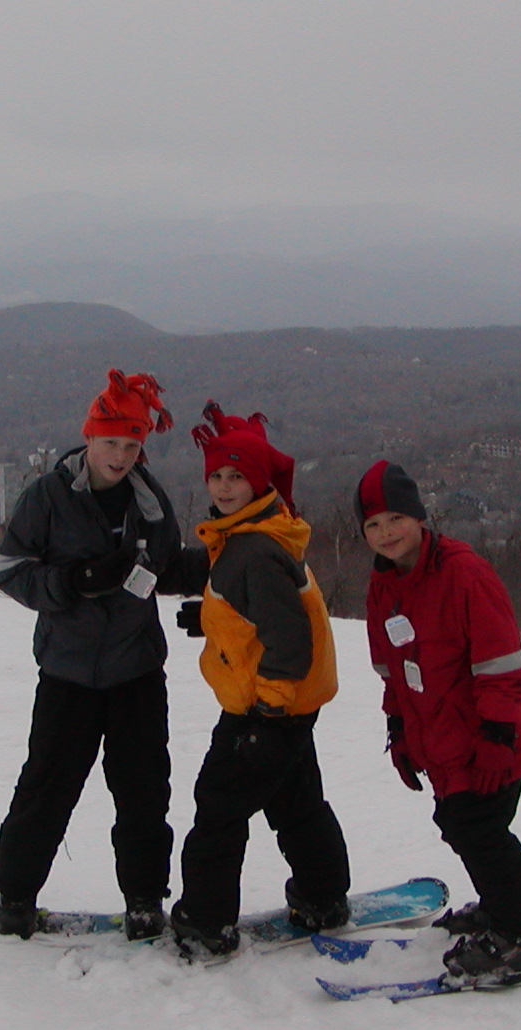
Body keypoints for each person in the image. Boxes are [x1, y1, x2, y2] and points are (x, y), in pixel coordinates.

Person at [0, 368, 192, 941]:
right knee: (47, 788)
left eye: (132, 445)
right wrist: (71, 581)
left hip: (136, 671)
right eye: (111, 443)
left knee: (144, 791)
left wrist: (233, 573)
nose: (122, 456)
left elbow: (169, 565)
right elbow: (11, 571)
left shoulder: (149, 502)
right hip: (68, 673)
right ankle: (16, 897)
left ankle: (146, 900)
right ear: (90, 438)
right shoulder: (49, 496)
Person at [357, 460, 521, 984]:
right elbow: (392, 672)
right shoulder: (385, 587)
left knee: (479, 830)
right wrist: (399, 733)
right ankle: (502, 908)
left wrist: (498, 738)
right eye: (373, 525)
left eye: (396, 519)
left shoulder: (463, 572)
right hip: (442, 740)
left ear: (420, 517)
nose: (386, 534)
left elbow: (501, 665)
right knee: (463, 827)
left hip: (489, 738)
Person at [169, 403, 351, 957]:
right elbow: (259, 620)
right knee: (297, 805)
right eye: (217, 476)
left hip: (267, 708)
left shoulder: (254, 548)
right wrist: (209, 618)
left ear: (258, 480)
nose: (224, 487)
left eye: (237, 476)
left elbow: (290, 638)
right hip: (289, 707)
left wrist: (268, 712)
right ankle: (322, 898)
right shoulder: (250, 534)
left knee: (218, 808)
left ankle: (206, 922)